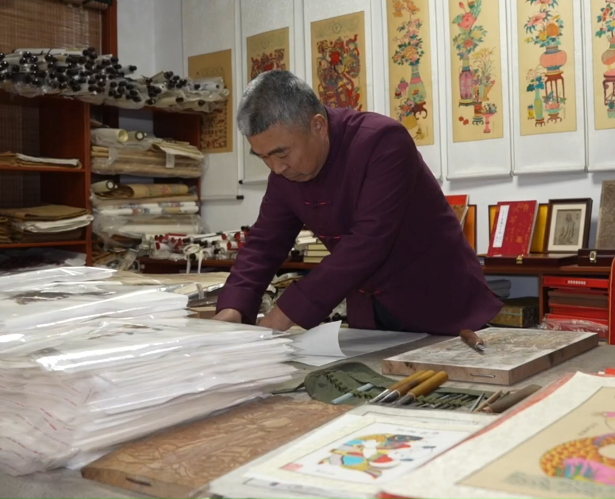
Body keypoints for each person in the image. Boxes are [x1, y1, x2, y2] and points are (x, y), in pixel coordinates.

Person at [213, 70, 501, 335]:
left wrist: (285, 313)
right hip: (370, 316)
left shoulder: (383, 142)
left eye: (282, 153)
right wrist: (233, 307)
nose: (276, 168)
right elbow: (265, 242)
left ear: (318, 125)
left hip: (439, 304)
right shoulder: (286, 172)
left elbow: (368, 241)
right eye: (263, 157)